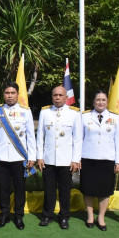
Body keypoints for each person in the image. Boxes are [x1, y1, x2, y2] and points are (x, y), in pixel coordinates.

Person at [36, 86, 82, 229]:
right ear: (52, 97)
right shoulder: (45, 112)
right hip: (49, 159)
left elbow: (77, 139)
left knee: (65, 191)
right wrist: (39, 156)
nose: (57, 98)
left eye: (60, 95)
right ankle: (47, 215)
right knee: (48, 189)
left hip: (66, 160)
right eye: (55, 95)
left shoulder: (74, 114)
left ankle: (64, 217)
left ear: (66, 97)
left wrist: (75, 159)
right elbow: (40, 137)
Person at [0, 82, 35, 230]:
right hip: (1, 158)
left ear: (17, 94)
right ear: (3, 95)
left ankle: (18, 216)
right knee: (3, 188)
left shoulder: (26, 111)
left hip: (19, 158)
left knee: (19, 188)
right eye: (7, 93)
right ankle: (4, 214)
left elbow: (30, 136)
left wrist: (32, 156)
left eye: (12, 93)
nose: (10, 96)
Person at [80, 91, 119, 231]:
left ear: (107, 101)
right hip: (88, 158)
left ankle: (101, 217)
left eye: (103, 100)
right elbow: (79, 139)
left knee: (105, 190)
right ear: (93, 101)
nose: (100, 102)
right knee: (88, 189)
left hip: (107, 159)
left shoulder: (115, 118)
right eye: (98, 100)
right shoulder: (85, 117)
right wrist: (77, 158)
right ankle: (90, 216)